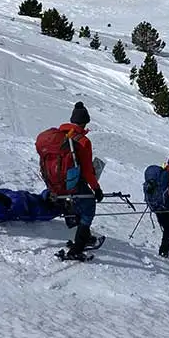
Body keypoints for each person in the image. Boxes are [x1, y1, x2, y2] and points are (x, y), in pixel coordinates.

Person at [57, 101, 104, 257]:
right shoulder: (83, 141)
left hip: (56, 182)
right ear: (84, 123)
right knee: (89, 206)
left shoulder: (59, 135)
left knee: (76, 204)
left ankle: (86, 237)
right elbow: (88, 171)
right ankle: (77, 249)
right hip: (73, 182)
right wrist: (96, 189)